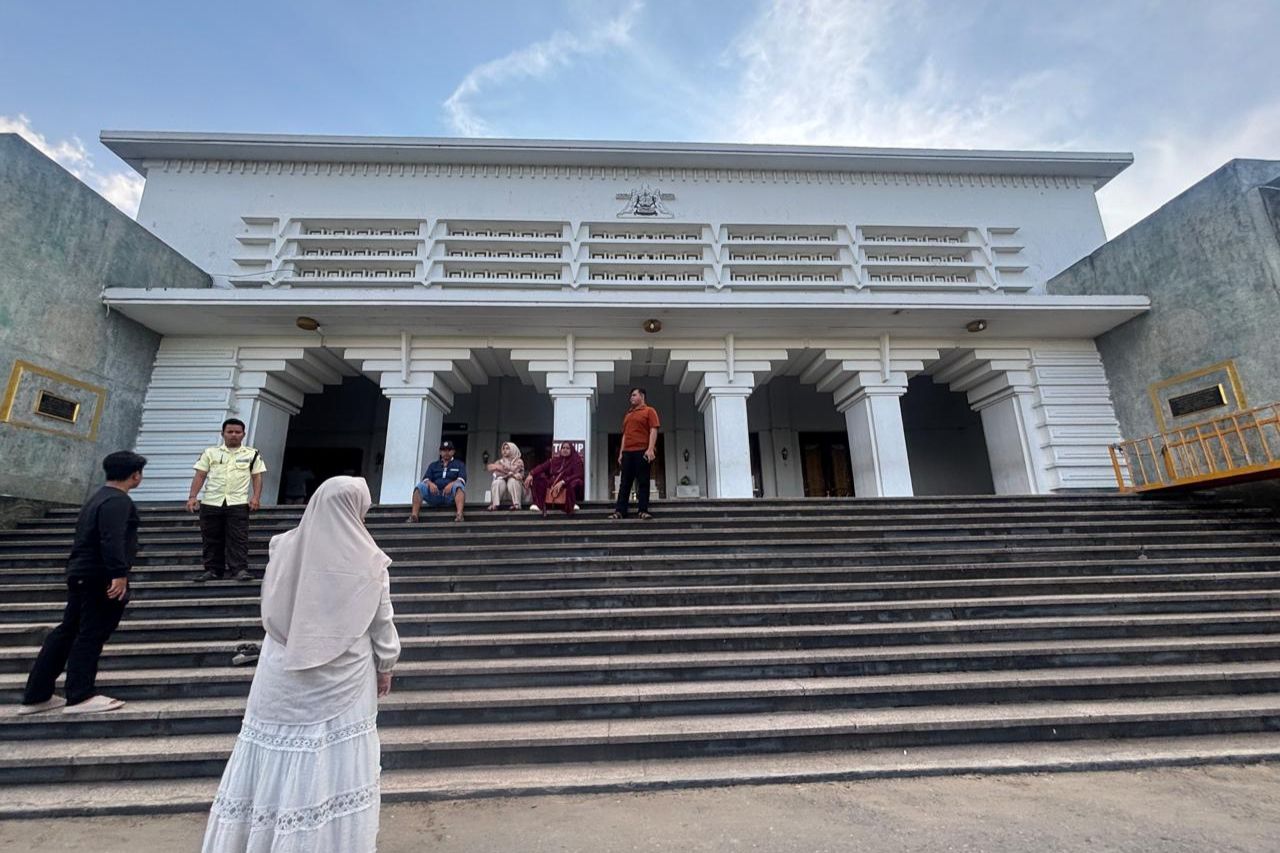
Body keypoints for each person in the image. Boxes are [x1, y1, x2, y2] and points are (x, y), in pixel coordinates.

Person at [201, 476, 400, 852]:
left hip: (281, 668)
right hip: (344, 674)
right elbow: (381, 622)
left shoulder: (284, 545)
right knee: (332, 759)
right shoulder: (369, 558)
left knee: (272, 754)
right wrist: (386, 664)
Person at [18, 451, 147, 715]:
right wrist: (119, 574)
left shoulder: (97, 498)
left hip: (81, 573)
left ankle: (37, 695)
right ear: (135, 475)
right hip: (100, 576)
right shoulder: (117, 501)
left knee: (67, 631)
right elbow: (111, 539)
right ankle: (80, 695)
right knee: (91, 633)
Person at [186, 419, 268, 583]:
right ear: (222, 433)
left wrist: (256, 497)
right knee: (211, 537)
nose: (233, 435)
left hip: (237, 502)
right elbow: (200, 475)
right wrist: (193, 497)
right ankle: (213, 570)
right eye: (230, 432)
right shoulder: (210, 453)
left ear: (243, 434)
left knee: (238, 537)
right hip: (211, 501)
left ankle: (239, 569)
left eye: (237, 432)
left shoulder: (252, 454)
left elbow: (257, 477)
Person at [609, 387, 660, 520]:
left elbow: (653, 430)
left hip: (642, 451)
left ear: (642, 396)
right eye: (631, 396)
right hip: (628, 453)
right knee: (624, 483)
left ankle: (642, 510)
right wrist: (621, 453)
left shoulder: (649, 411)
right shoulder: (628, 415)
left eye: (634, 395)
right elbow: (625, 435)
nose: (631, 398)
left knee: (643, 482)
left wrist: (650, 448)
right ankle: (620, 511)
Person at [406, 440, 466, 523]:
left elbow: (462, 479)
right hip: (435, 494)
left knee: (459, 486)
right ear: (440, 452)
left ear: (453, 452)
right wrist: (430, 484)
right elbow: (426, 479)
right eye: (444, 450)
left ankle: (459, 515)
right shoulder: (433, 465)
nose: (446, 453)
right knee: (420, 486)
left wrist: (451, 484)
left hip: (450, 496)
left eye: (449, 450)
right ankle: (414, 516)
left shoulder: (459, 464)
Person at [525, 442, 584, 517]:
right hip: (553, 484)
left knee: (576, 482)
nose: (565, 450)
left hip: (567, 484)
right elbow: (542, 467)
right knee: (538, 479)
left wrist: (563, 481)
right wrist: (531, 474)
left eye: (567, 448)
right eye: (563, 448)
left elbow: (578, 474)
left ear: (571, 450)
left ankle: (571, 504)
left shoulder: (576, 461)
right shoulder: (555, 460)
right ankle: (539, 504)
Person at [487, 441, 526, 510]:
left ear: (513, 449)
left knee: (512, 481)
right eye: (503, 448)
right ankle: (495, 505)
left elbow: (515, 470)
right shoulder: (499, 461)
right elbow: (496, 473)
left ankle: (516, 505)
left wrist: (499, 467)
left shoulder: (519, 461)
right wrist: (510, 473)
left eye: (507, 448)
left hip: (516, 491)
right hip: (503, 493)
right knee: (498, 482)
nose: (505, 450)